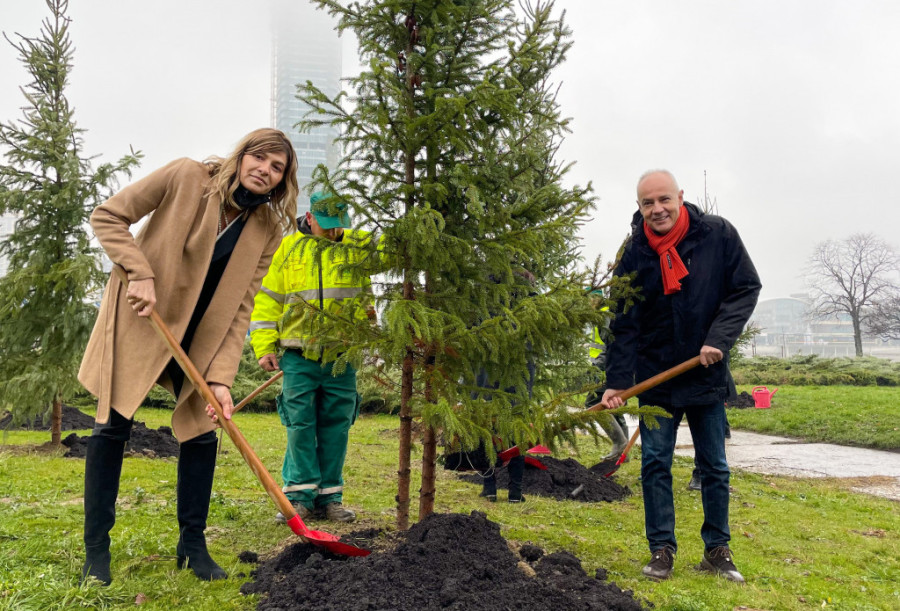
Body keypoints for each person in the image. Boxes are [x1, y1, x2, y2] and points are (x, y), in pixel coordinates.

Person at [78, 128, 298, 586]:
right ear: (242, 156)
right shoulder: (185, 176)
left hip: (200, 340)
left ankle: (192, 545)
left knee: (201, 433)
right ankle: (96, 551)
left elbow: (242, 308)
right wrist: (138, 271)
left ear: (282, 180)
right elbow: (108, 216)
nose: (265, 170)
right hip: (144, 316)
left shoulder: (266, 229)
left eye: (277, 167)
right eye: (259, 158)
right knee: (112, 426)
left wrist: (221, 378)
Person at [601, 170, 760, 583]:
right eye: (648, 203)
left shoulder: (717, 235)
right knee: (655, 464)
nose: (657, 209)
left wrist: (718, 340)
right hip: (656, 378)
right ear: (639, 207)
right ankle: (661, 549)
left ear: (680, 197)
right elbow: (623, 321)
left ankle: (717, 550)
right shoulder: (635, 252)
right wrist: (617, 380)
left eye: (664, 200)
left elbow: (745, 288)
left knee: (714, 466)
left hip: (705, 373)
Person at [249, 192, 374, 524]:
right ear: (310, 217)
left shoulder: (356, 246)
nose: (334, 232)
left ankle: (330, 498)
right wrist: (264, 347)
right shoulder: (289, 249)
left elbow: (388, 254)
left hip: (341, 357)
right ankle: (299, 499)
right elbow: (267, 301)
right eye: (327, 225)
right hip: (298, 357)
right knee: (300, 426)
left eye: (339, 225)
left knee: (337, 428)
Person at [584, 295, 628, 460]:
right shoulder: (602, 314)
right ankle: (623, 452)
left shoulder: (602, 316)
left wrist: (601, 369)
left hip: (604, 368)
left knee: (594, 404)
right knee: (615, 406)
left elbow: (609, 344)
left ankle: (620, 443)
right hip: (611, 367)